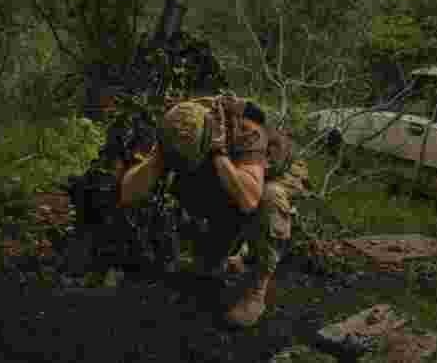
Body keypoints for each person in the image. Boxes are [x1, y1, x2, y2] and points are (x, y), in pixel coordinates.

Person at [114, 94, 309, 328]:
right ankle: (222, 256)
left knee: (269, 199)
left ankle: (257, 291)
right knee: (205, 265)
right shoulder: (176, 126)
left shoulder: (247, 131)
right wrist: (157, 158)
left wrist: (219, 154)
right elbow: (127, 195)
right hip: (230, 172)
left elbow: (249, 198)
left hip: (273, 173)